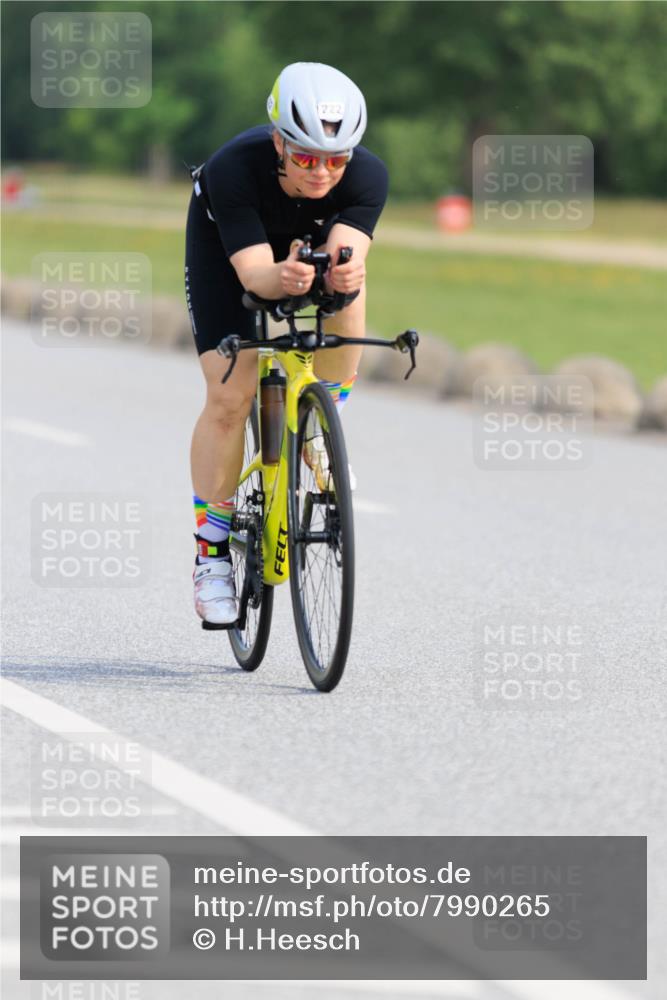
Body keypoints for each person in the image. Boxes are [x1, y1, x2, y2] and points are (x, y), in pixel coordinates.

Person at [185, 62, 389, 626]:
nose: (322, 172)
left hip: (306, 248)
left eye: (336, 160)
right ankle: (212, 555)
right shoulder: (234, 169)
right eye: (305, 157)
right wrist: (286, 277)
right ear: (279, 140)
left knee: (352, 282)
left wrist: (338, 276)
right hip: (233, 254)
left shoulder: (368, 176)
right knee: (231, 394)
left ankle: (321, 424)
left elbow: (347, 249)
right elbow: (255, 277)